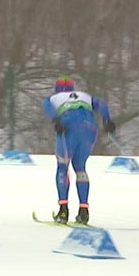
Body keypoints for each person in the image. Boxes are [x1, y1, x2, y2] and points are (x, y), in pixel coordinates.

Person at [42, 75, 115, 225]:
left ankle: (63, 210)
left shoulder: (53, 98)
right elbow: (101, 104)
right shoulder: (85, 96)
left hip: (68, 126)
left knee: (63, 167)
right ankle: (84, 211)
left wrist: (56, 120)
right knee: (80, 168)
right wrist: (107, 120)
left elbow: (48, 108)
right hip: (90, 128)